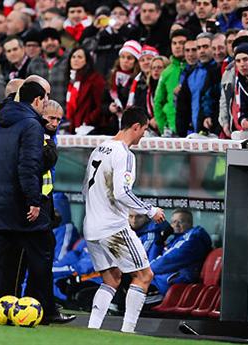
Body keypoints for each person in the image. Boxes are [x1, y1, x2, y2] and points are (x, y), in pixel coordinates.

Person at [0, 77, 72, 324]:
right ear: (37, 100)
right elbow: (29, 165)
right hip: (23, 203)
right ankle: (42, 310)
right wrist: (33, 200)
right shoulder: (32, 125)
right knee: (41, 253)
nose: (46, 106)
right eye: (45, 100)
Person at [83, 106, 165, 333]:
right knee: (144, 275)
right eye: (144, 130)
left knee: (112, 280)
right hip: (112, 227)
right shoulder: (124, 153)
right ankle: (128, 333)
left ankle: (92, 330)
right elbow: (121, 192)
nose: (143, 135)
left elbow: (86, 189)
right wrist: (150, 211)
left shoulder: (99, 148)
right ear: (136, 127)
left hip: (91, 227)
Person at [151, 209, 212, 295]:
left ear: (190, 223)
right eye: (173, 222)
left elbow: (168, 260)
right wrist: (159, 241)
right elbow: (156, 258)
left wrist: (146, 270)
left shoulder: (193, 239)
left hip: (177, 287)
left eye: (181, 221)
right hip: (166, 283)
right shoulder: (176, 239)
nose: (176, 225)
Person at [64, 46, 105, 134]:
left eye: (80, 57)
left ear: (87, 60)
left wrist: (87, 122)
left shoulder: (95, 79)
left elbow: (100, 105)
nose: (75, 60)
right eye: (73, 57)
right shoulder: (72, 80)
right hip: (74, 127)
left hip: (90, 128)